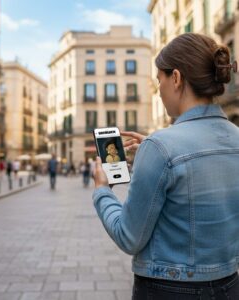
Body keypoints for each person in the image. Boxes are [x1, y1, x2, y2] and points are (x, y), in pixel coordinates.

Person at [92, 33, 239, 300]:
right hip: (230, 286)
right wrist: (156, 146)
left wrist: (102, 189)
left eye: (159, 79)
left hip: (169, 290)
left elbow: (128, 236)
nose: (158, 89)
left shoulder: (161, 147)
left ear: (177, 78)